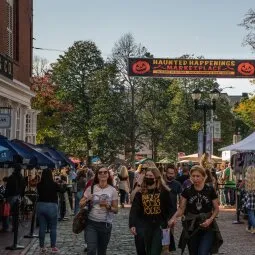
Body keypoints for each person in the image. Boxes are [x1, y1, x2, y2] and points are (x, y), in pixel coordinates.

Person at [168, 165, 223, 255]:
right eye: (193, 176)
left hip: (208, 227)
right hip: (191, 227)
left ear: (203, 177)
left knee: (202, 252)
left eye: (198, 176)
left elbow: (216, 209)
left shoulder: (210, 190)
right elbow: (181, 208)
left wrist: (210, 219)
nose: (195, 178)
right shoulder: (187, 191)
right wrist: (173, 218)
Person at [129, 167, 175, 255]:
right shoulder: (141, 192)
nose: (148, 177)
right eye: (146, 175)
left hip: (160, 226)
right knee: (148, 251)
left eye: (151, 175)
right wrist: (132, 224)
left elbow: (171, 208)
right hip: (145, 226)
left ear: (157, 177)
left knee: (155, 251)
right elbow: (134, 209)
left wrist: (171, 219)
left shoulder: (163, 192)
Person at [80, 167, 118, 255]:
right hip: (91, 223)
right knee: (91, 250)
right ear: (97, 175)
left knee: (102, 251)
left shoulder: (113, 190)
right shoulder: (91, 188)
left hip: (105, 224)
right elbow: (80, 204)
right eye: (100, 172)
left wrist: (108, 206)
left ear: (108, 175)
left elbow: (116, 210)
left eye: (105, 172)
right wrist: (87, 200)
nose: (103, 174)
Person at [36, 169, 64, 254]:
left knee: (42, 227)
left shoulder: (39, 185)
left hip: (41, 205)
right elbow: (62, 191)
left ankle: (41, 247)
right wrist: (61, 185)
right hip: (52, 206)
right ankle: (53, 247)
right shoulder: (54, 184)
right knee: (53, 227)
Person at [165, 164, 182, 252]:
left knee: (169, 233)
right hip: (161, 212)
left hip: (172, 213)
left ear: (175, 174)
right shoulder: (161, 182)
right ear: (166, 173)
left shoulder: (177, 184)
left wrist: (178, 214)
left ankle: (167, 250)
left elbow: (181, 199)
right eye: (169, 173)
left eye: (172, 173)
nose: (170, 175)